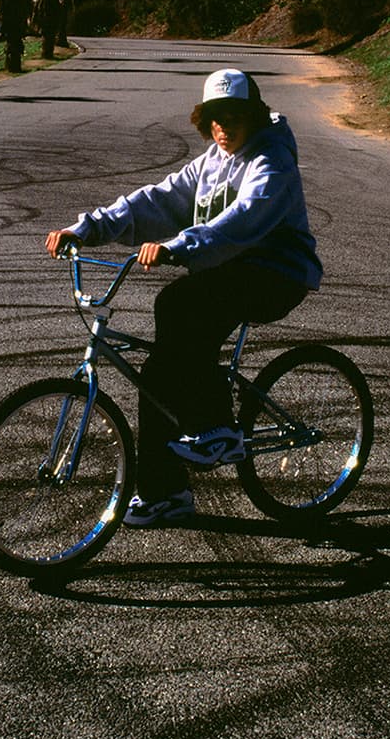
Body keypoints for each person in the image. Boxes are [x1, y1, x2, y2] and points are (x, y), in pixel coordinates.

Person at [45, 68, 323, 527]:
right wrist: (86, 228)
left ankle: (219, 428)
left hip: (277, 274)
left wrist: (179, 246)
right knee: (160, 374)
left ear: (254, 116)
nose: (224, 126)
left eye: (234, 115)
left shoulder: (272, 160)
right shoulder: (212, 161)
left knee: (179, 304)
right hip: (226, 271)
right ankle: (165, 493)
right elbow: (154, 200)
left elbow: (244, 218)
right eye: (215, 117)